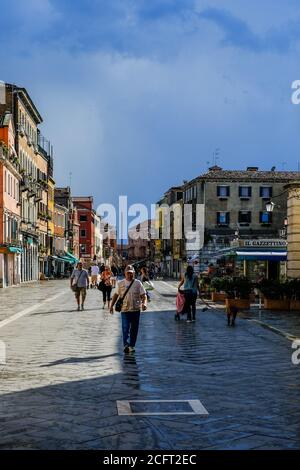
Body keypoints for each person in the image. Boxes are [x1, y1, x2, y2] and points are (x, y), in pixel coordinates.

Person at [110, 265, 147, 353]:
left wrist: (144, 304)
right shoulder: (120, 283)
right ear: (125, 273)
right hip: (125, 310)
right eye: (128, 273)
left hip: (135, 310)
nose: (129, 275)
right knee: (125, 327)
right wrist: (111, 306)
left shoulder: (138, 283)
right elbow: (116, 295)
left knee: (134, 329)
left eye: (131, 273)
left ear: (133, 273)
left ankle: (132, 346)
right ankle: (126, 345)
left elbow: (143, 296)